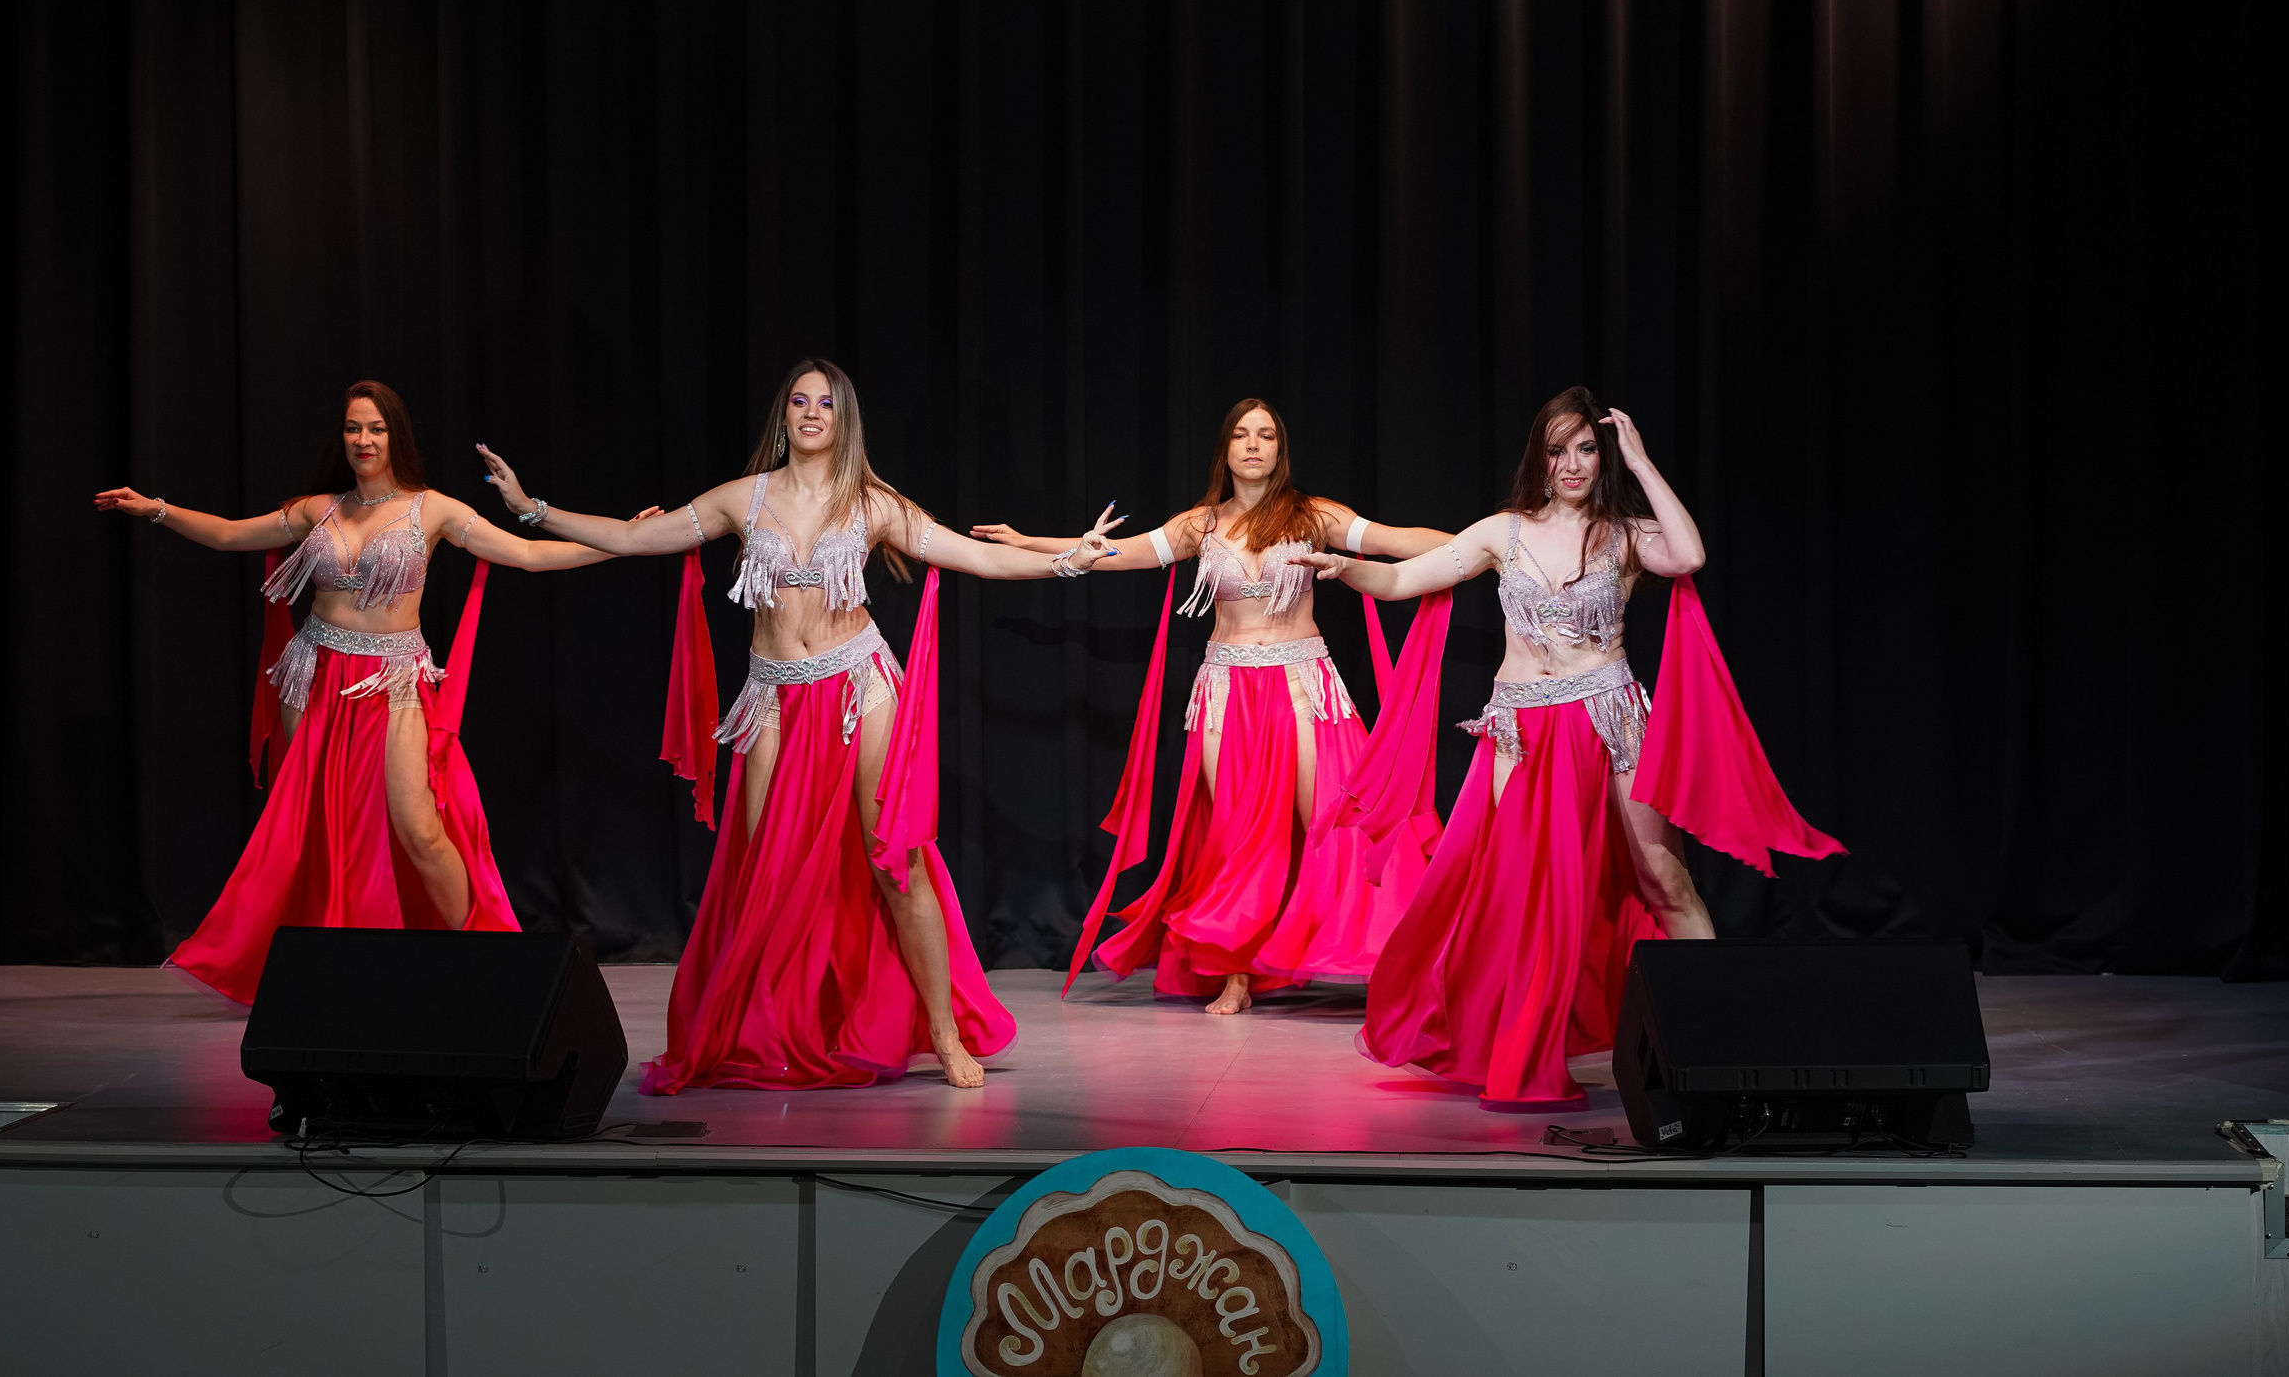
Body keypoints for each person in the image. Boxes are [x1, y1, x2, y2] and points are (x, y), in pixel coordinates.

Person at [477, 359, 1116, 1091]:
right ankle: (777, 1027)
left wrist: (1067, 560)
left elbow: (973, 557)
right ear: (784, 415)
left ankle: (942, 1030)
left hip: (858, 684)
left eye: (826, 403)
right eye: (799, 401)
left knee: (894, 859)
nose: (812, 412)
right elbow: (630, 539)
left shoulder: (873, 502)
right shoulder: (740, 500)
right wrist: (532, 508)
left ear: (844, 419)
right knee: (767, 869)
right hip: (774, 695)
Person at [1300, 387, 1844, 1108]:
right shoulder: (1503, 532)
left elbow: (1689, 553)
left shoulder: (1624, 534)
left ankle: (1718, 1038)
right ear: (1541, 458)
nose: (1573, 463)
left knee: (1664, 880)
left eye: (1587, 448)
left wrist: (1644, 463)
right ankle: (1521, 1043)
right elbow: (1403, 577)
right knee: (1522, 894)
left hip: (1609, 718)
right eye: (1558, 450)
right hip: (1520, 730)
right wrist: (1347, 568)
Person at [94, 380, 621, 1005]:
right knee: (320, 830)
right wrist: (156, 509)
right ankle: (334, 968)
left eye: (375, 428)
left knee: (420, 829)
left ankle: (484, 958)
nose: (363, 440)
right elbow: (234, 535)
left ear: (396, 435)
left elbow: (528, 555)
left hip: (393, 681)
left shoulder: (434, 511)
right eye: (352, 428)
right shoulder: (316, 508)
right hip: (314, 676)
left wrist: (616, 544)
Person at [973, 398, 1450, 1015]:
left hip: (1303, 683)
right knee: (1238, 835)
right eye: (1242, 435)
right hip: (1227, 693)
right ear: (1225, 449)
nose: (1253, 445)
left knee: (1339, 822)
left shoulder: (1314, 516)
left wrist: (1489, 545)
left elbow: (1397, 542)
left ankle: (1396, 960)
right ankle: (1237, 975)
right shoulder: (1199, 526)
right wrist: (1032, 543)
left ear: (1281, 451)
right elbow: (1116, 553)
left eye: (1267, 436)